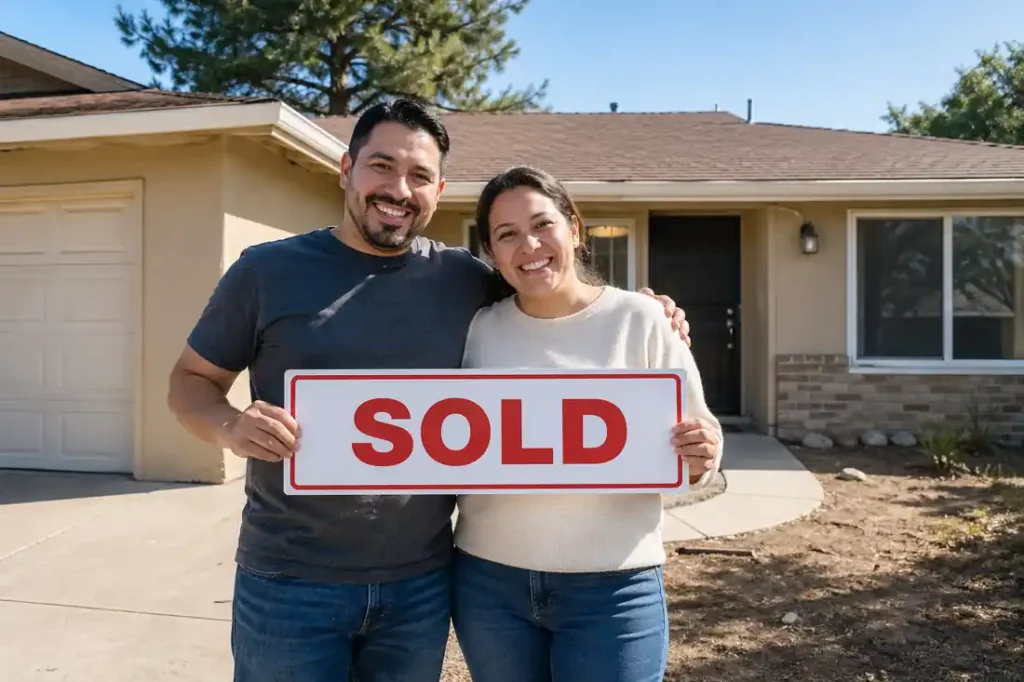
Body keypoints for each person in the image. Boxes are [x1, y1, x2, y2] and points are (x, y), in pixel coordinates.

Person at [166, 99, 692, 682]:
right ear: (346, 169)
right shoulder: (265, 272)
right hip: (290, 582)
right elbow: (191, 381)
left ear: (438, 191)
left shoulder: (464, 279)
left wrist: (641, 308)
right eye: (381, 167)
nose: (398, 188)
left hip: (419, 587)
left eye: (419, 176)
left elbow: (548, 282)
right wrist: (230, 426)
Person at [451, 165, 724, 682]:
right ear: (491, 252)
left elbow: (699, 446)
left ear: (574, 229)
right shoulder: (478, 328)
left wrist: (702, 456)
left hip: (614, 590)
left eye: (542, 224)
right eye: (507, 234)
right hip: (489, 587)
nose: (529, 245)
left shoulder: (641, 320)